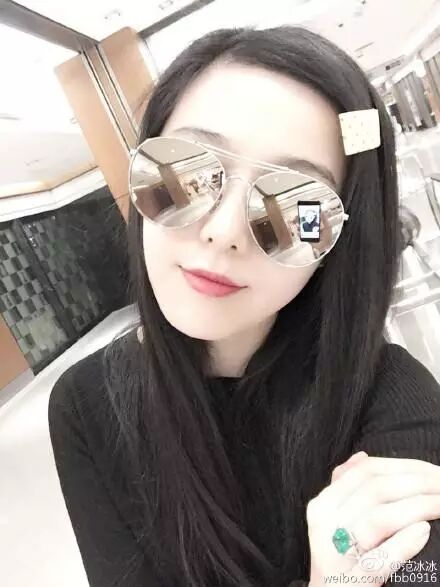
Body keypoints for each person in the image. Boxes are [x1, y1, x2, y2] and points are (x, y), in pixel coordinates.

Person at [48, 26, 440, 587]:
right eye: (186, 173)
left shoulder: (391, 397)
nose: (225, 231)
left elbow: (422, 571)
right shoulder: (85, 403)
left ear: (335, 246)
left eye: (297, 206)